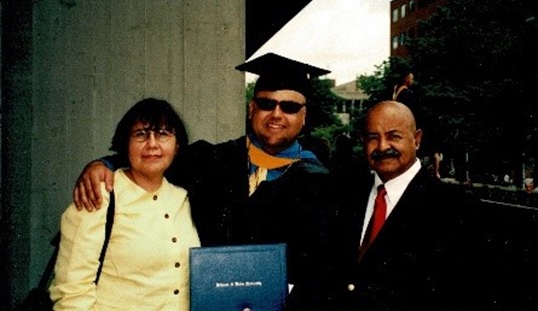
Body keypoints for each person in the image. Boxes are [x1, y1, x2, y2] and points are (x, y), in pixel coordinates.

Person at [70, 53, 335, 299]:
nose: (276, 114)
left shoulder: (323, 184)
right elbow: (151, 159)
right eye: (267, 103)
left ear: (304, 116)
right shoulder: (210, 159)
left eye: (289, 107)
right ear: (251, 108)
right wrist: (102, 164)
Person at [293, 100, 490, 310]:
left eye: (393, 136)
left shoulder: (457, 209)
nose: (382, 146)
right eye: (372, 138)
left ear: (417, 139)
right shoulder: (341, 199)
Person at [49, 98, 200, 310]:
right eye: (140, 134)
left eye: (163, 134)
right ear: (125, 145)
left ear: (177, 147)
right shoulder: (99, 195)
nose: (152, 144)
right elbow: (72, 291)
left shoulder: (182, 198)